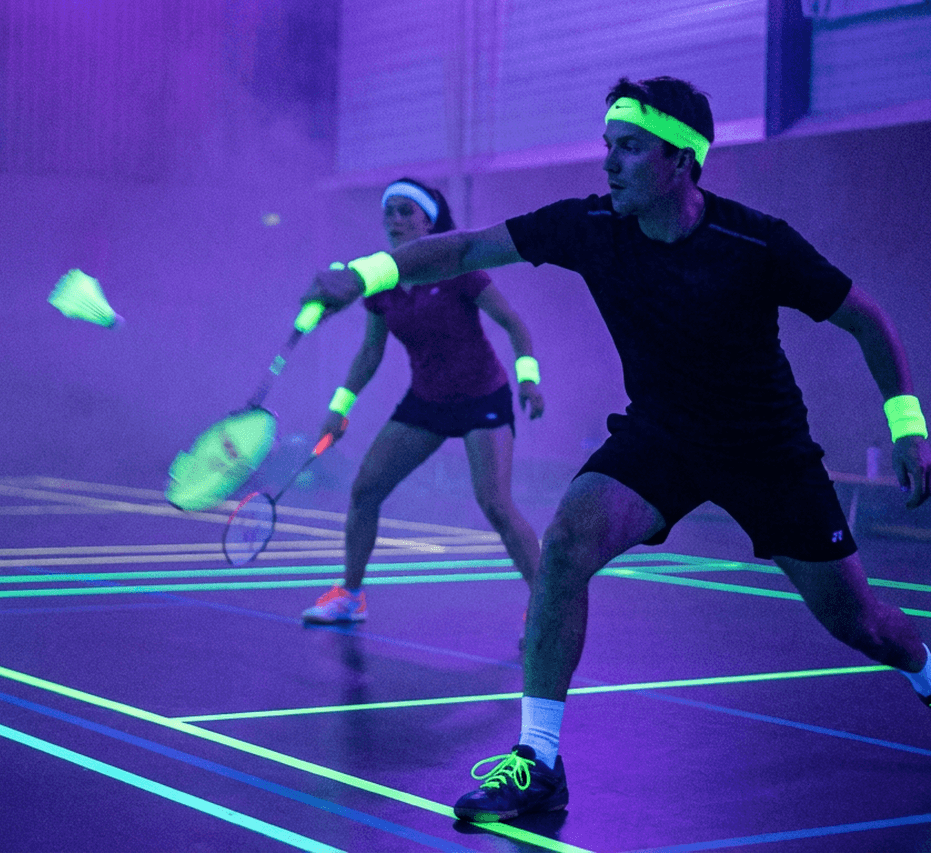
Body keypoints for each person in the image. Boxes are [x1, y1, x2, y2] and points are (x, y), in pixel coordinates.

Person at [302, 76, 931, 822]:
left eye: (628, 148)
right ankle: (538, 759)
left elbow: (864, 318)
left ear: (681, 161)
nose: (609, 163)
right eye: (608, 146)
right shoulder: (589, 225)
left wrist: (909, 425)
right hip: (661, 434)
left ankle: (924, 663)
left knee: (859, 624)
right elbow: (470, 246)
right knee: (566, 542)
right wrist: (367, 272)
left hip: (765, 447)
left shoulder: (756, 242)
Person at [302, 178, 545, 631]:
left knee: (495, 503)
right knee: (365, 490)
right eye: (388, 212)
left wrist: (528, 379)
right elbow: (370, 352)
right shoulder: (381, 284)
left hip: (482, 398)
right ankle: (350, 596)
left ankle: (548, 606)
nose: (394, 220)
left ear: (428, 220)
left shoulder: (459, 269)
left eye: (404, 212)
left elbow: (514, 324)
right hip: (427, 403)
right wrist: (341, 407)